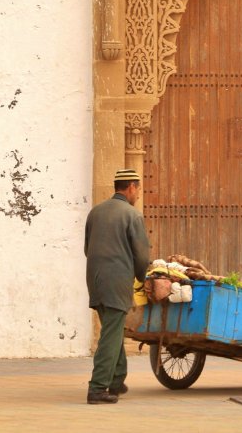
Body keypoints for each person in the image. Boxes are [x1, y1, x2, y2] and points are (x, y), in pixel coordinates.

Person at [84, 168, 150, 404]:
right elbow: (141, 256)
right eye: (138, 189)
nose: (139, 194)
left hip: (95, 280)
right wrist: (143, 278)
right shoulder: (132, 215)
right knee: (110, 335)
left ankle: (116, 379)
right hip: (117, 281)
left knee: (113, 330)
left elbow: (87, 249)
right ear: (131, 187)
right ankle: (98, 388)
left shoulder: (95, 213)